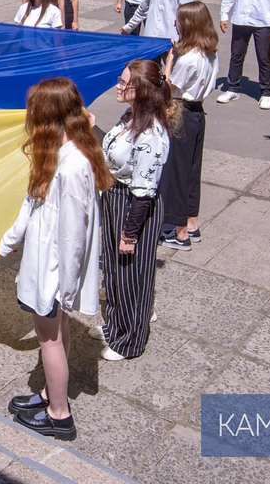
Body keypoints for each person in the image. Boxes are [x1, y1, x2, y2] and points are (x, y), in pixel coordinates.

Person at [0, 78, 112, 439]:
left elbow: (74, 235)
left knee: (48, 339)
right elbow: (31, 204)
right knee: (56, 331)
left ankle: (59, 415)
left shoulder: (72, 165)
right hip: (45, 266)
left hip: (50, 272)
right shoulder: (59, 151)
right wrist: (8, 242)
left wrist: (64, 285)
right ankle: (51, 393)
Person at [99, 60, 174, 361]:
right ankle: (115, 326)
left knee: (133, 276)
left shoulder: (151, 137)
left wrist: (130, 234)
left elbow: (143, 192)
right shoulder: (130, 116)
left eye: (124, 81)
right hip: (116, 198)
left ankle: (130, 339)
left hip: (133, 206)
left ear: (140, 91)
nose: (118, 85)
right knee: (115, 273)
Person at [158, 3, 219, 251]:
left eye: (179, 20)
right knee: (192, 169)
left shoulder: (189, 59)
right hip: (197, 113)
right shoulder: (210, 52)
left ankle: (177, 229)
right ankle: (192, 222)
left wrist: (169, 62)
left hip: (181, 111)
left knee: (177, 172)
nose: (175, 23)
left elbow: (171, 87)